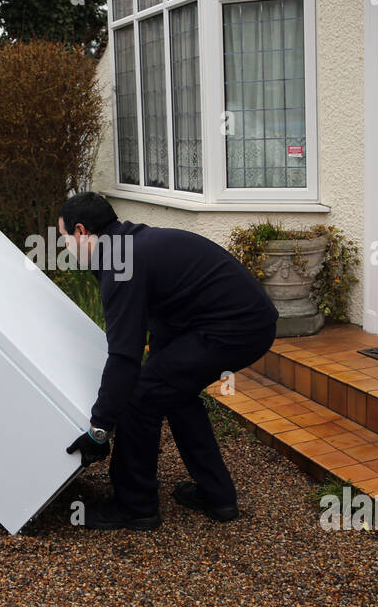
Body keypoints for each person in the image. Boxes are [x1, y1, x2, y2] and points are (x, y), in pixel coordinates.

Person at [60, 192, 278, 530]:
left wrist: (99, 429)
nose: (66, 248)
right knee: (173, 394)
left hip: (234, 328)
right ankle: (218, 497)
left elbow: (124, 355)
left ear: (81, 231)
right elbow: (165, 306)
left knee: (139, 397)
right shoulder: (128, 244)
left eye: (64, 239)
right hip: (233, 321)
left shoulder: (120, 261)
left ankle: (135, 507)